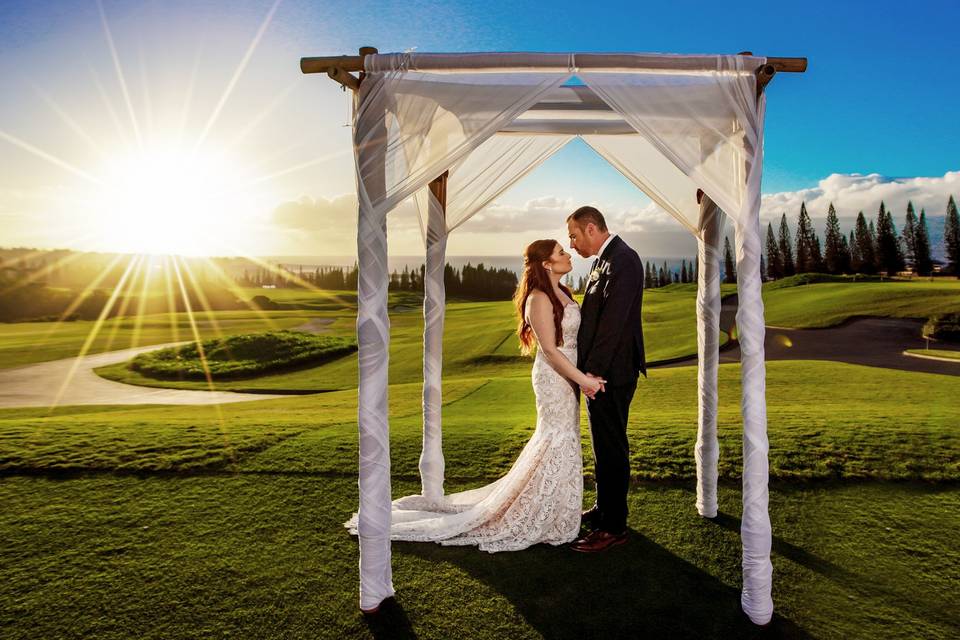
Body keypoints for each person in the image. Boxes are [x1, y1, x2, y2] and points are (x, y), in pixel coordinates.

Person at [344, 239, 601, 552]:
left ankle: (559, 511)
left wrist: (583, 375)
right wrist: (582, 380)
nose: (568, 254)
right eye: (561, 252)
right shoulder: (538, 298)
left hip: (570, 375)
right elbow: (549, 349)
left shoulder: (562, 291)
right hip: (555, 377)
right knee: (556, 438)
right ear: (546, 263)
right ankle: (540, 514)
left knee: (564, 438)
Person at [566, 206, 646, 553]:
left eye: (573, 235)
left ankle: (614, 527)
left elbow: (613, 324)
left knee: (612, 448)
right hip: (602, 374)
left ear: (591, 228)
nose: (571, 244)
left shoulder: (624, 260)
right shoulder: (602, 260)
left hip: (611, 375)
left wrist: (592, 374)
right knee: (602, 445)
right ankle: (604, 509)